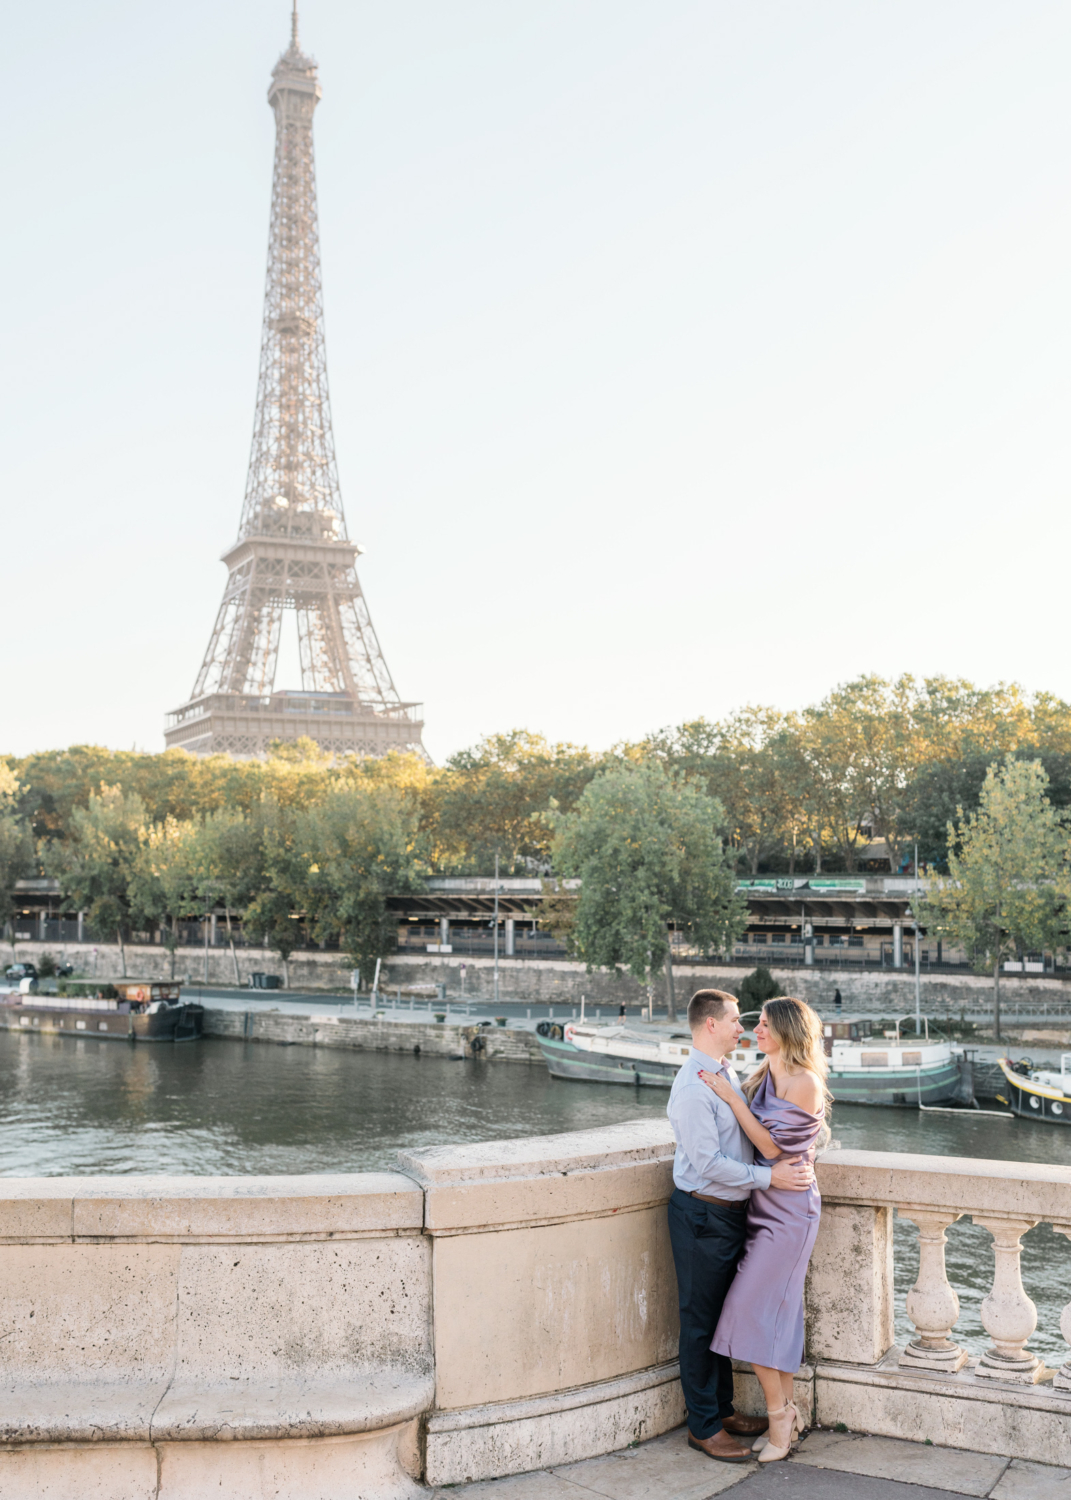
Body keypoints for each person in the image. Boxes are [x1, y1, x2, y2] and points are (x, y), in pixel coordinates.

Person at [666, 989, 815, 1465]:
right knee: (701, 1323)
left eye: (756, 1022)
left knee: (721, 1318)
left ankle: (726, 1411)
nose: (745, 1027)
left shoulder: (733, 1073)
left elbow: (770, 1133)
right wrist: (770, 1176)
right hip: (704, 1213)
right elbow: (709, 1164)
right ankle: (705, 1427)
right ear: (711, 1025)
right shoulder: (694, 1086)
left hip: (743, 1214)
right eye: (736, 1019)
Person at [699, 996, 830, 1464]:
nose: (756, 1029)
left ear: (788, 1031)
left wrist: (731, 1098)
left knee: (747, 1312)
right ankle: (790, 1418)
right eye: (755, 1022)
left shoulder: (806, 1082)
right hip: (761, 1207)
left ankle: (778, 1420)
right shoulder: (763, 1076)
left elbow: (773, 1149)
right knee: (779, 1318)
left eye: (765, 1024)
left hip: (790, 1212)